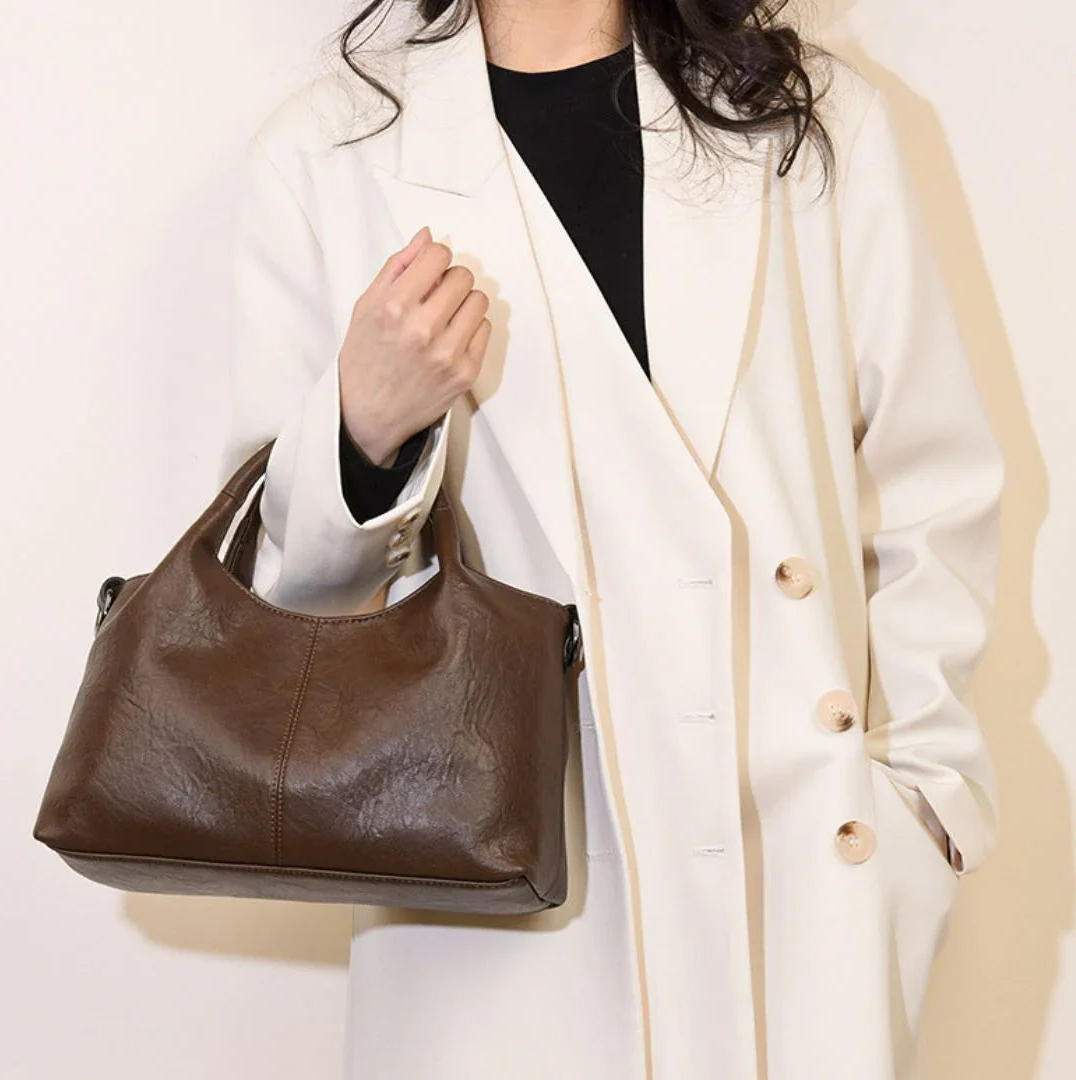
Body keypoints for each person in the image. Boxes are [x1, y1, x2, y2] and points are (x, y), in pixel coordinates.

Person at [217, 0, 1006, 1076]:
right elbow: (277, 608)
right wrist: (362, 425)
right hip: (508, 909)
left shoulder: (808, 125)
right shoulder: (331, 155)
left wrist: (923, 804)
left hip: (800, 875)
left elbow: (936, 489)